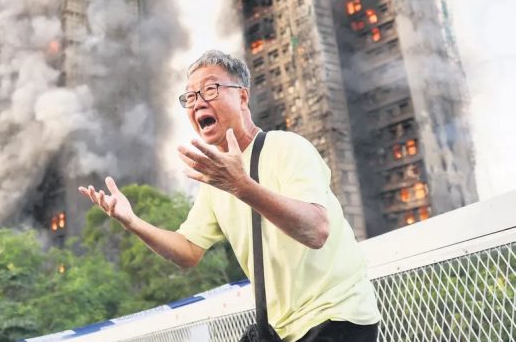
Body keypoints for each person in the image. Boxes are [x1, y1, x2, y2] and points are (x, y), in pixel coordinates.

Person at [79, 50, 381, 342]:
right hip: (281, 330)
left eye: (210, 89)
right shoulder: (215, 182)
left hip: (336, 317)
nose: (198, 102)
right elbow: (188, 251)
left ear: (243, 96)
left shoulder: (287, 147)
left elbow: (316, 230)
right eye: (190, 97)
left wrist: (241, 186)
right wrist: (132, 222)